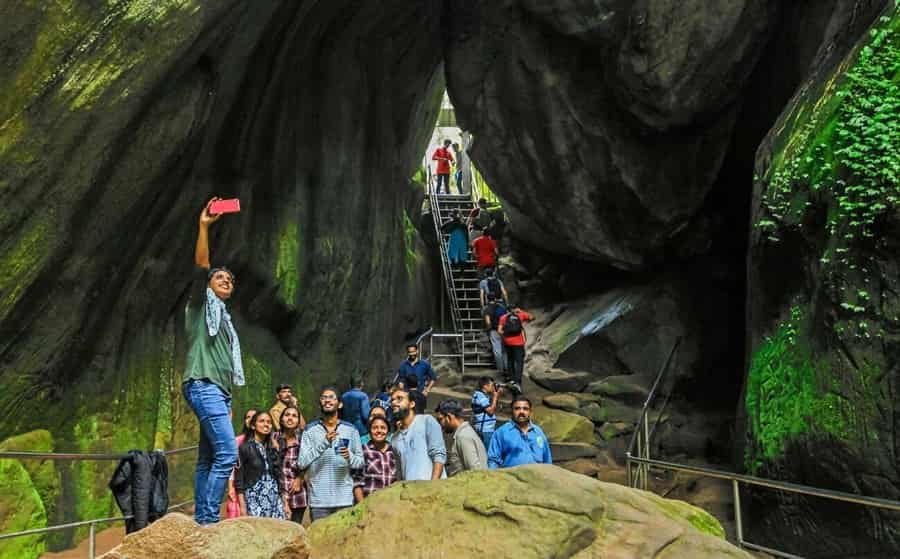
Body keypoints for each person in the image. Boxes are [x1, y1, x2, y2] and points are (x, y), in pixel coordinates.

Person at [182, 197, 244, 525]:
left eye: (230, 281)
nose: (226, 282)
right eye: (220, 279)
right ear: (209, 286)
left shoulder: (225, 320)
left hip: (217, 390)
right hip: (202, 384)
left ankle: (202, 518)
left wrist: (228, 400)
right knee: (227, 454)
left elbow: (226, 365)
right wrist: (203, 227)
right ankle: (207, 519)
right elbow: (202, 266)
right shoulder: (199, 306)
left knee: (207, 459)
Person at [297, 387, 364, 521]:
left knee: (345, 540)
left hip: (344, 499)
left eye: (331, 397)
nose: (327, 400)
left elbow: (360, 462)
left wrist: (349, 456)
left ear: (340, 404)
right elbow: (301, 462)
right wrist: (324, 443)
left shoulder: (351, 430)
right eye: (323, 397)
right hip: (319, 501)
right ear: (320, 403)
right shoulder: (310, 430)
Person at [235, 411, 285, 519]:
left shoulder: (272, 448)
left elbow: (279, 476)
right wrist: (243, 507)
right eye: (262, 421)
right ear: (253, 426)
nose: (266, 424)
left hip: (274, 498)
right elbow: (239, 479)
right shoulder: (245, 448)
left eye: (269, 422)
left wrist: (284, 502)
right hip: (254, 497)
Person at [390, 387, 446, 480]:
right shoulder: (394, 438)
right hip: (410, 492)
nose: (394, 402)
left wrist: (432, 486)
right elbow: (399, 471)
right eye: (392, 400)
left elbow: (439, 455)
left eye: (399, 398)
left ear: (412, 404)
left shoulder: (427, 421)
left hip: (434, 490)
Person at [487, 396, 552, 468]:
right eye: (517, 408)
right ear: (512, 411)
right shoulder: (501, 433)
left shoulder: (538, 432)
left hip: (537, 477)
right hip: (512, 477)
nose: (521, 412)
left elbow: (547, 459)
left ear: (530, 412)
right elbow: (493, 460)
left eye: (525, 409)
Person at [436, 400, 488, 476]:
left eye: (440, 419)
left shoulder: (463, 436)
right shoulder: (464, 433)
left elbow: (474, 471)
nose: (440, 424)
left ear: (449, 417)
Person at [353, 416, 398, 501]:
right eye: (375, 428)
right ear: (369, 432)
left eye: (383, 428)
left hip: (392, 505)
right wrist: (362, 507)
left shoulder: (395, 452)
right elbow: (357, 482)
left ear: (388, 432)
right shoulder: (363, 451)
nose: (379, 431)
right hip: (369, 505)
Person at [278, 405, 308, 524]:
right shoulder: (272, 438)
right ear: (281, 419)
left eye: (294, 416)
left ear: (298, 421)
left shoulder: (303, 440)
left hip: (298, 494)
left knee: (296, 529)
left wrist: (300, 478)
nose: (290, 418)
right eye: (287, 415)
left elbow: (309, 463)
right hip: (278, 493)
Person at [226, 407, 257, 519]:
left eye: (254, 417)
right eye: (248, 417)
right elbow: (232, 466)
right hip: (239, 486)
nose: (250, 419)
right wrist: (230, 488)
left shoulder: (268, 441)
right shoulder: (237, 441)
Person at [498, 304, 534, 389]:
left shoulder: (503, 317)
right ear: (515, 309)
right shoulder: (520, 315)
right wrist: (521, 311)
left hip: (507, 342)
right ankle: (518, 381)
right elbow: (532, 317)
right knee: (519, 362)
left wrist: (505, 336)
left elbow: (499, 331)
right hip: (518, 343)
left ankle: (512, 379)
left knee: (510, 360)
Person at [395, 344, 437, 410]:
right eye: (410, 352)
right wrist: (401, 392)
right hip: (407, 396)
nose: (412, 354)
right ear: (407, 352)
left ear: (417, 351)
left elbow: (433, 378)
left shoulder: (424, 364)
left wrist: (427, 390)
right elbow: (401, 380)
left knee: (420, 416)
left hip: (420, 395)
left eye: (413, 351)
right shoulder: (403, 365)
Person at [482, 286, 508, 374]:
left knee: (497, 350)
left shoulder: (487, 309)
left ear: (487, 298)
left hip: (494, 331)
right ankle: (506, 368)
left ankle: (500, 370)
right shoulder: (502, 307)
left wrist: (488, 330)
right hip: (504, 330)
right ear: (496, 298)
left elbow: (488, 322)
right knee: (504, 350)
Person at [471, 378, 501, 447]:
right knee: (488, 454)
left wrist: (496, 396)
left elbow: (493, 406)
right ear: (485, 386)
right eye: (492, 385)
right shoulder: (480, 396)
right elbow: (490, 411)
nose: (493, 387)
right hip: (485, 430)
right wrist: (495, 397)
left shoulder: (483, 395)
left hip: (486, 428)